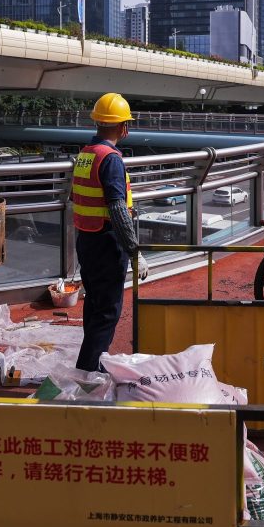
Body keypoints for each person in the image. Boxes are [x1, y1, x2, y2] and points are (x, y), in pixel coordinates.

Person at [72, 92, 146, 372]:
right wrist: (135, 253)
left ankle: (92, 363)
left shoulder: (85, 155)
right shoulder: (111, 159)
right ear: (122, 127)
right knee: (107, 312)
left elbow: (78, 199)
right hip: (106, 244)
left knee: (94, 306)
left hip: (86, 240)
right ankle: (88, 372)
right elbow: (116, 210)